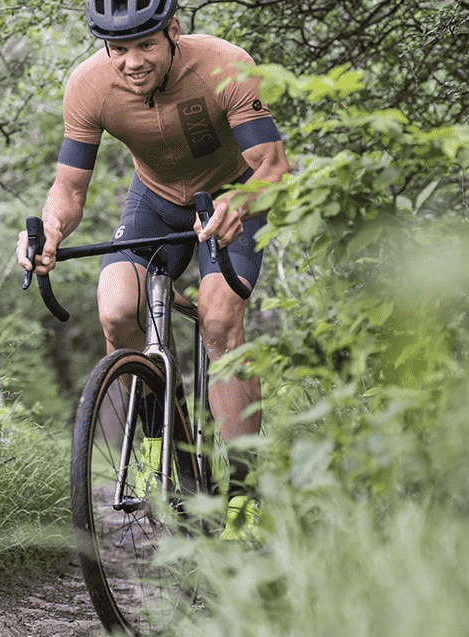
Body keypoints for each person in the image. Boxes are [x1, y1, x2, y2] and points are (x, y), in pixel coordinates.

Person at [16, 0, 290, 536]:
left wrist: (245, 202)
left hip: (231, 196)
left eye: (145, 45)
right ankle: (162, 452)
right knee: (118, 310)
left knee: (217, 321)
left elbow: (274, 167)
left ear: (173, 32)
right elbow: (69, 192)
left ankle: (242, 496)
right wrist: (49, 230)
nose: (131, 61)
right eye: (118, 48)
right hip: (157, 199)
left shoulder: (223, 64)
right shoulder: (89, 86)